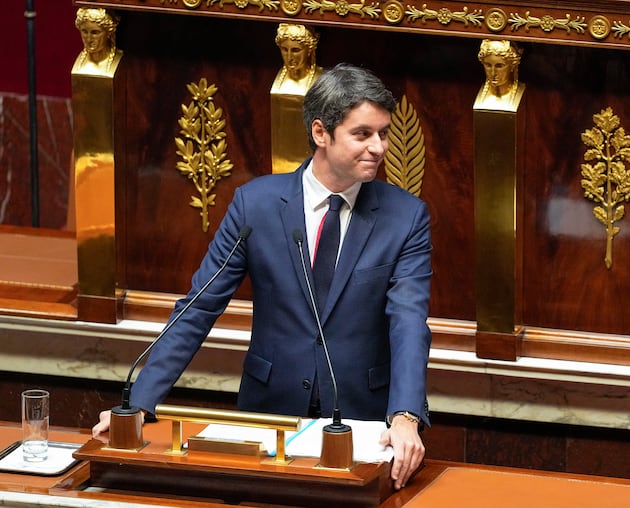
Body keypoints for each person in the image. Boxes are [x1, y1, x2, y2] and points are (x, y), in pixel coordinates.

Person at [93, 63, 432, 490]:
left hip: (365, 423)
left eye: (383, 133)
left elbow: (408, 321)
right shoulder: (255, 206)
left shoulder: (406, 217)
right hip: (269, 416)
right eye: (363, 134)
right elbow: (198, 308)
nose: (379, 147)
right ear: (320, 133)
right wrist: (139, 403)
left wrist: (404, 416)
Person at [271, 24, 323, 95]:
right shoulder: (279, 80)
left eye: (295, 50)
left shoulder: (320, 77)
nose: (289, 57)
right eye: (285, 49)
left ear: (309, 50)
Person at [474, 39, 525, 111]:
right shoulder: (472, 94)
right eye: (488, 65)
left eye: (499, 66)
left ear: (512, 66)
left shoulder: (527, 96)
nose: (493, 73)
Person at [73, 7, 122, 76]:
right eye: (84, 32)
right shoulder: (79, 65)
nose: (89, 39)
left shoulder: (119, 60)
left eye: (95, 32)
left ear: (108, 33)